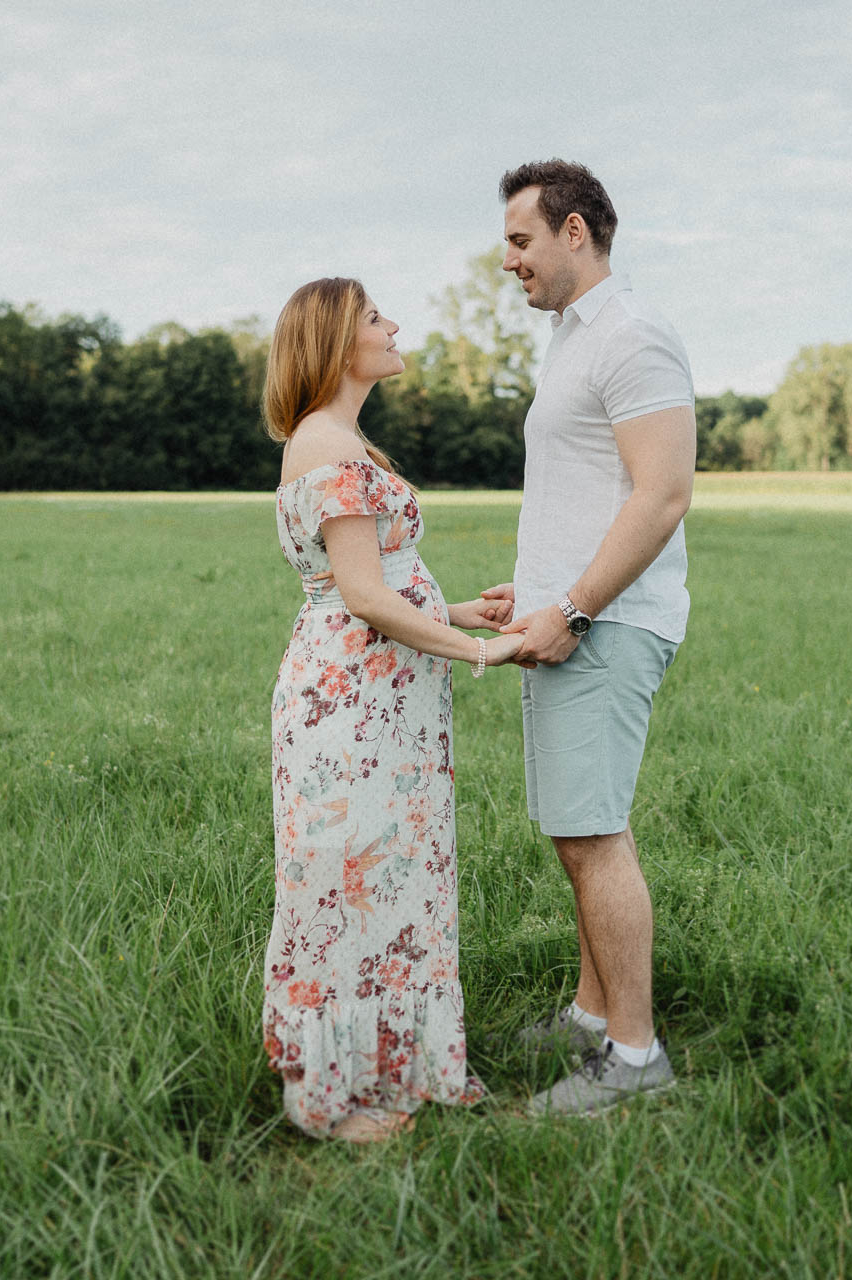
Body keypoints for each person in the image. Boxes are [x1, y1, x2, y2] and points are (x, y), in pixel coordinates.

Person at [262, 277, 525, 1143]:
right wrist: (487, 652)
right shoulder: (327, 445)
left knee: (389, 881)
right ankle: (326, 1100)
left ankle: (394, 1066)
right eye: (377, 316)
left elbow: (372, 585)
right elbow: (365, 599)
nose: (394, 325)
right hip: (351, 708)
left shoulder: (343, 436)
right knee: (343, 883)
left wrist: (458, 615)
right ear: (338, 342)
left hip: (385, 705)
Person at [480, 160, 697, 1116]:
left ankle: (635, 1059)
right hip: (568, 615)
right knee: (580, 833)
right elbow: (587, 490)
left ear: (576, 233)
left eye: (521, 240)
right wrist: (533, 593)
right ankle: (590, 1013)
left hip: (604, 626)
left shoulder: (634, 333)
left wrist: (570, 610)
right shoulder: (572, 341)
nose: (508, 260)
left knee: (594, 837)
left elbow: (662, 495)